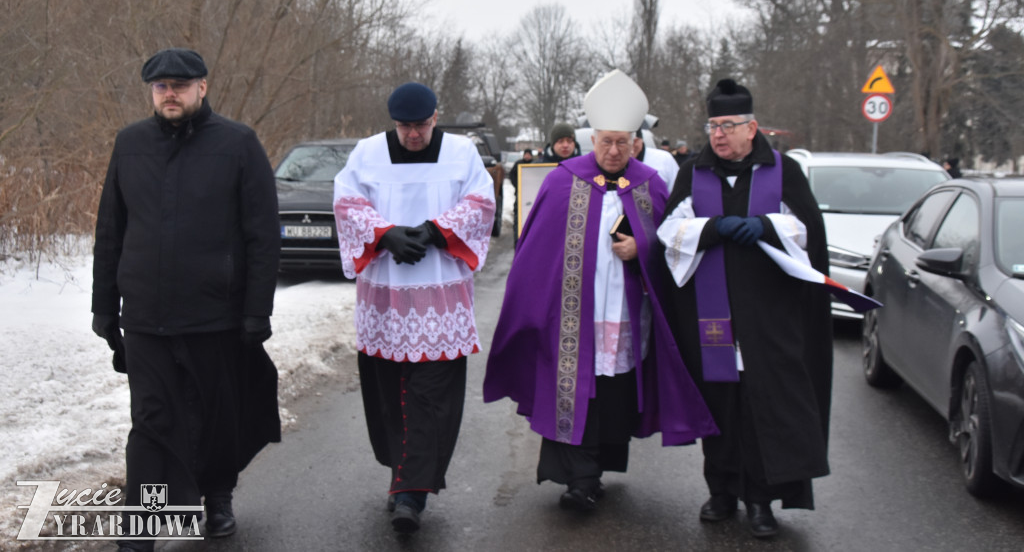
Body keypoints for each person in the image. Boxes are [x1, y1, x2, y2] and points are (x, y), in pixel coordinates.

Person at [484, 69, 717, 512]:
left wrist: (642, 247)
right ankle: (580, 478)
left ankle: (599, 467)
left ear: (635, 143)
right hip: (573, 315)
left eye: (622, 143)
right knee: (575, 387)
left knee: (613, 393)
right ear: (593, 140)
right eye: (606, 142)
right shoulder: (561, 181)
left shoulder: (651, 185)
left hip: (629, 315)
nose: (613, 151)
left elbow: (673, 246)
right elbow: (534, 254)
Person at [91, 48, 282, 551]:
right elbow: (110, 229)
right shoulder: (130, 144)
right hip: (147, 317)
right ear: (152, 92)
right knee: (152, 423)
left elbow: (263, 235)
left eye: (180, 84)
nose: (170, 93)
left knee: (213, 415)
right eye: (161, 86)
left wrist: (256, 310)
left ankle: (217, 496)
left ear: (203, 87)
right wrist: (104, 306)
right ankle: (142, 531)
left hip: (214, 316)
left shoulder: (238, 144)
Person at [657, 78, 832, 539]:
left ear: (752, 128)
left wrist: (766, 226)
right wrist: (713, 228)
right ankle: (721, 491)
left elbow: (808, 231)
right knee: (720, 404)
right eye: (713, 125)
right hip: (710, 318)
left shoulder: (782, 170)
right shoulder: (693, 172)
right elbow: (669, 231)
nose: (718, 134)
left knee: (763, 407)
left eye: (728, 125)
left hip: (769, 318)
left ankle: (760, 500)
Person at [332, 82, 496, 535]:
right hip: (384, 297)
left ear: (435, 117)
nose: (413, 135)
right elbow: (346, 203)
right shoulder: (367, 153)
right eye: (404, 127)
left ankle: (411, 495)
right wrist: (385, 234)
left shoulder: (462, 153)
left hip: (441, 298)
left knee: (430, 398)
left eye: (421, 125)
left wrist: (434, 231)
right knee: (390, 394)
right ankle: (401, 473)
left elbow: (482, 204)